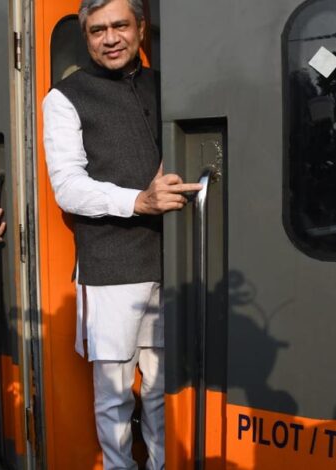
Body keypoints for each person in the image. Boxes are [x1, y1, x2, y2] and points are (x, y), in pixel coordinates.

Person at [43, 0, 201, 468]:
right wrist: (139, 201)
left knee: (161, 388)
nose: (110, 39)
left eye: (119, 26)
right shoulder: (64, 97)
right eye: (97, 31)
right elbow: (68, 188)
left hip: (172, 258)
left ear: (140, 28)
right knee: (114, 397)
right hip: (111, 267)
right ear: (85, 36)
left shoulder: (168, 85)